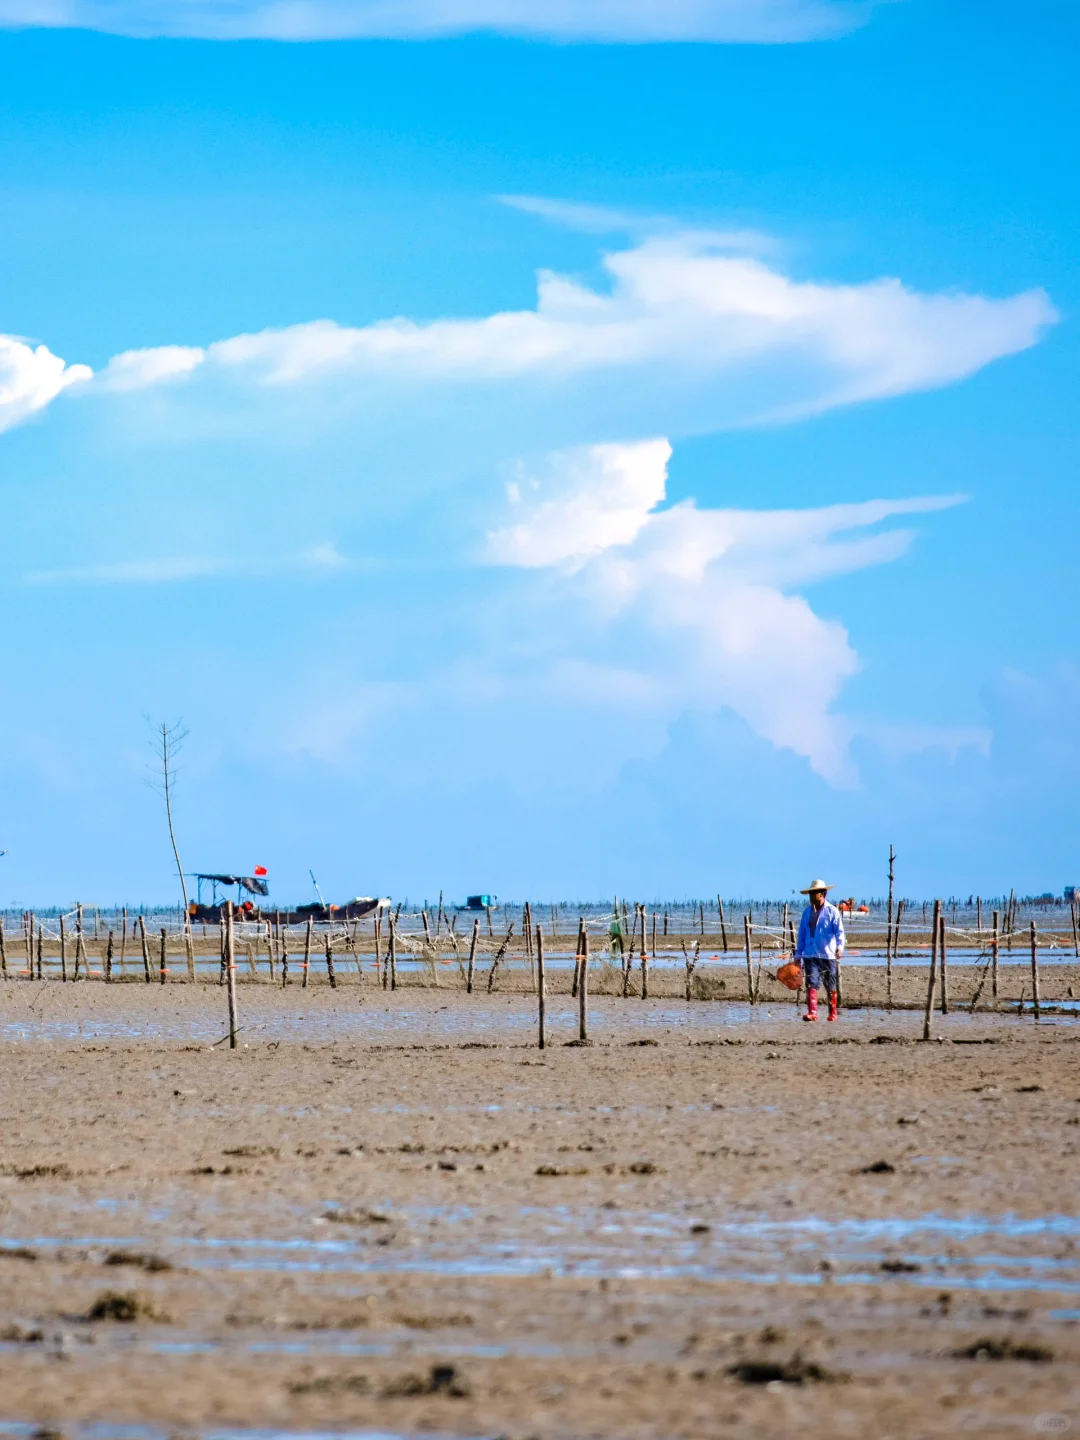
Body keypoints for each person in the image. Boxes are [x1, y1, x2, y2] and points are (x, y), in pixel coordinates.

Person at [794, 879, 845, 1022]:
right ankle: (812, 1012)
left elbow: (839, 932)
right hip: (810, 954)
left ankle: (832, 1013)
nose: (811, 896)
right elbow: (802, 934)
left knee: (830, 984)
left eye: (814, 893)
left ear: (823, 894)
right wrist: (798, 954)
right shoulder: (806, 912)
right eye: (810, 893)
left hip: (827, 954)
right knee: (811, 983)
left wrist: (839, 948)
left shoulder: (832, 911)